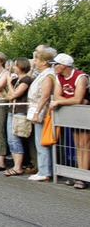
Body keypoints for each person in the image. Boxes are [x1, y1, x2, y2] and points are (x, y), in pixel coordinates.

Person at [49, 53, 90, 189]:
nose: (53, 67)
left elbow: (78, 98)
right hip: (74, 114)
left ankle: (83, 176)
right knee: (78, 145)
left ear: (63, 66)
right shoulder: (59, 77)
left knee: (85, 145)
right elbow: (57, 95)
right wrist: (66, 101)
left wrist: (60, 102)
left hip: (84, 114)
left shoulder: (80, 77)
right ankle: (79, 174)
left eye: (56, 64)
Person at [27, 47, 57, 182]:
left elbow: (45, 96)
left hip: (42, 111)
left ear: (45, 62)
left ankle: (45, 171)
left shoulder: (48, 75)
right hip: (38, 108)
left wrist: (37, 113)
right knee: (40, 141)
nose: (35, 62)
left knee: (41, 142)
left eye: (37, 59)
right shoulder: (44, 73)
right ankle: (44, 169)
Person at [3, 57, 33, 176]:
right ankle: (16, 164)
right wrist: (11, 89)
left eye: (15, 65)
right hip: (12, 110)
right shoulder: (17, 80)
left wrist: (9, 83)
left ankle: (18, 166)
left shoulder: (26, 80)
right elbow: (8, 96)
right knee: (11, 139)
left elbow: (14, 94)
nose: (14, 67)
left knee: (16, 139)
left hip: (20, 111)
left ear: (21, 66)